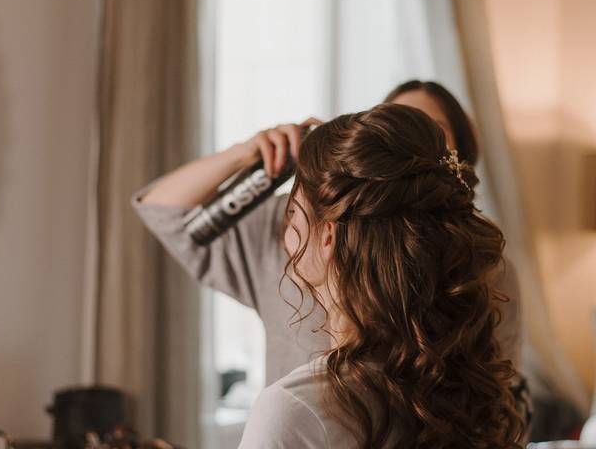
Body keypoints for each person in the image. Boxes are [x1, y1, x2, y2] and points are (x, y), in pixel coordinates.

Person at [214, 103, 526, 449]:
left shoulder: (296, 416)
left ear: (328, 236)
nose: (286, 226)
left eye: (294, 208)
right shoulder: (467, 385)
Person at [133, 81, 521, 387]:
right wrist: (246, 153)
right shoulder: (294, 229)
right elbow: (161, 208)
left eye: (430, 131)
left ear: (459, 163)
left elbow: (499, 388)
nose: (411, 140)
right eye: (399, 122)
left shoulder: (483, 265)